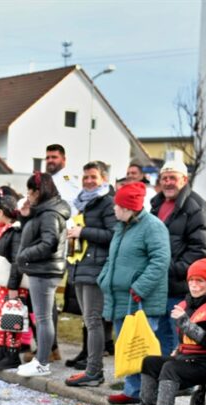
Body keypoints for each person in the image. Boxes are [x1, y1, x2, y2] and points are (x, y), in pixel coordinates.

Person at [121, 258, 206, 405]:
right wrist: (178, 347)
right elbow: (184, 339)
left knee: (170, 368)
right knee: (149, 362)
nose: (194, 285)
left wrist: (184, 322)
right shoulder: (185, 305)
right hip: (186, 358)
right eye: (191, 280)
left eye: (200, 281)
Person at [98, 182, 171, 404]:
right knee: (127, 345)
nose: (113, 208)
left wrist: (140, 287)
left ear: (127, 208)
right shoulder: (122, 227)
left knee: (142, 346)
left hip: (141, 299)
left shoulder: (153, 227)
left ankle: (145, 394)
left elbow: (161, 260)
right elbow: (112, 258)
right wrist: (104, 278)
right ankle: (133, 390)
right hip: (121, 298)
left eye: (117, 205)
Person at [150, 158, 206, 357]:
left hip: (179, 287)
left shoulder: (196, 207)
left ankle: (175, 375)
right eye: (164, 178)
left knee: (177, 338)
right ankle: (163, 374)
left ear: (184, 179)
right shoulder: (156, 205)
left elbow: (200, 249)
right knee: (160, 336)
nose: (168, 182)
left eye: (173, 178)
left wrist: (169, 267)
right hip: (158, 286)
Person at [64, 161, 116, 386]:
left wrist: (83, 232)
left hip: (96, 268)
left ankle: (95, 371)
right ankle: (91, 368)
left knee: (94, 321)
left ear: (104, 179)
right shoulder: (80, 203)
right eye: (85, 177)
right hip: (80, 266)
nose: (88, 181)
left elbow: (113, 234)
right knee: (88, 321)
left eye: (93, 177)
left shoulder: (107, 202)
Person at [14, 172, 70, 377]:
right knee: (43, 317)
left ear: (38, 192)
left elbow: (49, 242)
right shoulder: (44, 211)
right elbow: (33, 234)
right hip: (43, 269)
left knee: (43, 318)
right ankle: (41, 359)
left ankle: (42, 362)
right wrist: (25, 216)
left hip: (45, 270)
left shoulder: (49, 213)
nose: (28, 195)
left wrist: (24, 255)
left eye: (30, 191)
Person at [0, 193, 27, 370]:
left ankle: (12, 354)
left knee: (12, 318)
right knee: (1, 318)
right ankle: (1, 351)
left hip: (10, 285)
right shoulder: (5, 229)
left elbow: (16, 260)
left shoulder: (15, 231)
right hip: (2, 283)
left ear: (1, 211)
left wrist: (13, 285)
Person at [44, 144, 81, 210]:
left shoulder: (68, 178)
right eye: (47, 158)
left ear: (63, 159)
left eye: (54, 157)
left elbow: (71, 206)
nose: (50, 160)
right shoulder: (45, 179)